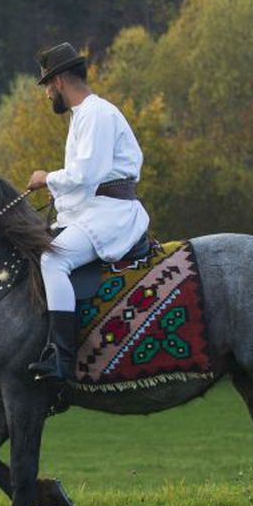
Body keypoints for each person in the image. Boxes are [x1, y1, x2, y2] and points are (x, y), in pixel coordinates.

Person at [26, 42, 151, 382]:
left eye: (47, 86)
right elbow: (85, 183)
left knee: (54, 260)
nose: (47, 94)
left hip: (112, 214)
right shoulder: (85, 116)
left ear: (60, 82)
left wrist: (45, 178)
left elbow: (86, 175)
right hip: (98, 209)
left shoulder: (96, 114)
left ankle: (61, 361)